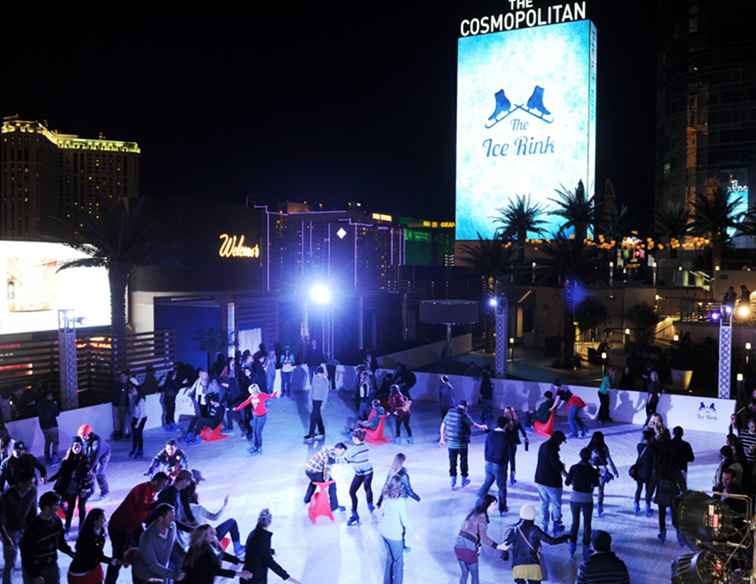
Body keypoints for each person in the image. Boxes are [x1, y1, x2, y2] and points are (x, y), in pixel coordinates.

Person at [105, 472, 169, 584]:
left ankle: (140, 579)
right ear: (155, 481)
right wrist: (157, 504)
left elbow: (143, 513)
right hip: (119, 527)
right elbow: (141, 506)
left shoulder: (151, 491)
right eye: (163, 484)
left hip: (133, 526)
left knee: (144, 550)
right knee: (119, 556)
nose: (163, 488)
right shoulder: (142, 489)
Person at [502, 503, 569, 584]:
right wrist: (565, 538)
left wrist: (505, 555)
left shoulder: (513, 530)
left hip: (518, 566)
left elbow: (504, 546)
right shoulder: (535, 530)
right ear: (533, 516)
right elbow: (552, 541)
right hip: (533, 566)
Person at [20, 491, 74, 583]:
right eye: (56, 505)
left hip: (51, 565)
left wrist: (69, 551)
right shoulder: (33, 527)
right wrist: (35, 575)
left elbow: (60, 541)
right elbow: (26, 554)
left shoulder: (57, 521)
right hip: (36, 568)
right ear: (46, 507)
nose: (58, 508)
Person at [455, 494, 508, 584]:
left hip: (458, 546)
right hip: (469, 547)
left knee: (464, 574)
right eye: (493, 504)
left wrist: (478, 545)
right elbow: (484, 537)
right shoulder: (482, 517)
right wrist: (498, 546)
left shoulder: (473, 514)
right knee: (475, 576)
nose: (495, 507)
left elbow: (468, 531)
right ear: (486, 505)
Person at [185, 482, 245, 557]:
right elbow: (215, 517)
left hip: (193, 541)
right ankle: (238, 549)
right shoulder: (198, 508)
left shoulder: (180, 509)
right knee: (232, 522)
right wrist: (224, 505)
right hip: (207, 538)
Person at [241, 508, 301, 584]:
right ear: (270, 522)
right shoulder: (263, 537)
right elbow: (269, 561)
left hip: (248, 575)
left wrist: (269, 550)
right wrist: (288, 577)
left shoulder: (253, 533)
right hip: (255, 579)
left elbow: (255, 549)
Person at [48, 436, 94, 533]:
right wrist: (50, 479)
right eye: (75, 446)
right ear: (72, 447)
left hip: (83, 486)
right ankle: (67, 527)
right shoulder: (66, 460)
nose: (77, 448)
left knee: (81, 506)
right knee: (70, 508)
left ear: (81, 447)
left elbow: (89, 476)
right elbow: (60, 473)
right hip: (70, 487)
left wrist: (85, 488)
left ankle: (81, 527)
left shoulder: (85, 460)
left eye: (78, 446)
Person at [132, 503, 184, 584]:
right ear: (160, 519)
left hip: (162, 570)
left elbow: (175, 545)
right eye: (170, 517)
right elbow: (152, 565)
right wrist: (174, 575)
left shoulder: (172, 526)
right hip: (145, 575)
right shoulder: (147, 537)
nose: (173, 519)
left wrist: (186, 558)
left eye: (174, 516)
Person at [440, 401, 487, 490]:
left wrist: (442, 438)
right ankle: (464, 480)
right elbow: (473, 425)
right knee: (463, 461)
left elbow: (443, 425)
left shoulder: (449, 412)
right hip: (462, 443)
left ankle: (453, 480)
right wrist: (482, 427)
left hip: (451, 443)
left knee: (452, 462)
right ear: (465, 407)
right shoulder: (463, 415)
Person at [182, 524, 251, 583]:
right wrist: (239, 574)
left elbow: (221, 555)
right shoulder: (201, 551)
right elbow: (214, 570)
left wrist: (238, 561)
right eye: (211, 532)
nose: (214, 533)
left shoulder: (210, 544)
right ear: (204, 537)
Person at [0, 474, 37, 584]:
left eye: (32, 483)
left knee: (28, 561)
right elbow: (1, 519)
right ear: (19, 483)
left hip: (25, 530)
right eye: (28, 483)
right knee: (10, 563)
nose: (30, 486)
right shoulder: (7, 495)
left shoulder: (33, 491)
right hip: (10, 531)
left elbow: (33, 512)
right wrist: (6, 538)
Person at [565, 447, 600, 559]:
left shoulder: (574, 468)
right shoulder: (593, 470)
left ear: (580, 456)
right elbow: (596, 484)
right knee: (587, 524)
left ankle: (572, 548)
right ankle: (585, 550)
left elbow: (567, 482)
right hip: (587, 499)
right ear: (589, 457)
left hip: (575, 498)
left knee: (575, 523)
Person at [67, 508, 116, 584]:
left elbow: (98, 553)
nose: (104, 521)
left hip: (93, 568)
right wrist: (111, 561)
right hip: (81, 573)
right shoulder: (86, 537)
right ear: (94, 521)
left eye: (104, 518)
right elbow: (94, 555)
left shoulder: (100, 532)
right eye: (102, 519)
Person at [377, 476, 409, 584]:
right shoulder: (400, 502)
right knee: (399, 561)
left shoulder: (385, 498)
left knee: (390, 558)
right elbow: (405, 521)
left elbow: (379, 514)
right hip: (394, 535)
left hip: (383, 532)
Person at [534, 430, 567, 535]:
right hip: (552, 482)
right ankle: (556, 525)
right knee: (556, 504)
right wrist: (567, 475)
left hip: (540, 480)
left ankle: (544, 525)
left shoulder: (543, 445)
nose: (561, 444)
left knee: (544, 503)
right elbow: (556, 466)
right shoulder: (552, 450)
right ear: (557, 440)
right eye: (561, 441)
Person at [234, 384, 280, 455]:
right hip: (255, 416)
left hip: (262, 417)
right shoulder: (251, 397)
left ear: (254, 390)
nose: (250, 392)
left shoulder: (261, 395)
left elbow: (270, 396)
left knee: (258, 432)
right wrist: (237, 408)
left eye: (251, 391)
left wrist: (275, 393)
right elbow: (245, 403)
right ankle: (255, 446)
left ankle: (259, 447)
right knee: (254, 432)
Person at [477, 416, 509, 515]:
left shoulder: (490, 434)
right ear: (506, 425)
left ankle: (479, 501)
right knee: (501, 487)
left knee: (487, 482)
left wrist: (487, 459)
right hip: (499, 465)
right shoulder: (506, 437)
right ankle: (502, 509)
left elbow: (486, 447)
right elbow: (508, 453)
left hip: (488, 463)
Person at [654, 429, 682, 543]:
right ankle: (679, 535)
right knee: (674, 512)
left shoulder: (659, 454)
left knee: (662, 512)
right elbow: (678, 475)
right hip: (672, 487)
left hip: (662, 486)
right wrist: (683, 490)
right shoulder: (674, 452)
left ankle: (662, 532)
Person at [303, 443, 347, 513]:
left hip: (308, 470)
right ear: (338, 449)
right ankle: (334, 507)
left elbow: (330, 462)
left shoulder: (330, 449)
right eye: (342, 452)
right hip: (314, 472)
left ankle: (306, 499)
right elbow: (326, 470)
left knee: (314, 481)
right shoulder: (331, 455)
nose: (342, 454)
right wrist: (327, 481)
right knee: (332, 484)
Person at [344, 430, 374, 526]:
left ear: (355, 438)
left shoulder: (353, 449)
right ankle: (370, 505)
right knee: (367, 488)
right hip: (369, 471)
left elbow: (345, 460)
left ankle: (354, 513)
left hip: (360, 472)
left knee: (352, 492)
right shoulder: (366, 446)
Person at [586, 432, 618, 517]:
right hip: (602, 470)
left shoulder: (590, 447)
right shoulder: (604, 447)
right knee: (601, 489)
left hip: (592, 470)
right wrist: (614, 470)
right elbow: (609, 460)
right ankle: (599, 506)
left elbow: (586, 459)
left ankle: (588, 505)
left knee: (591, 488)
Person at [77, 425, 111, 499]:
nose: (82, 438)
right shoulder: (84, 439)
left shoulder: (97, 441)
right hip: (93, 454)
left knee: (99, 473)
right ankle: (90, 492)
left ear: (88, 434)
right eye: (81, 436)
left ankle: (105, 492)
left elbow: (96, 457)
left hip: (103, 455)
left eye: (83, 436)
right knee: (88, 472)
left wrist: (91, 469)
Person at [502, 407, 528, 486]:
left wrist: (525, 437)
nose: (505, 414)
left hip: (506, 443)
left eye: (506, 412)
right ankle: (511, 477)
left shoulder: (504, 421)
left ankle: (507, 476)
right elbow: (522, 431)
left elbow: (522, 431)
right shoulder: (514, 421)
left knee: (506, 460)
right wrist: (525, 438)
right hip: (510, 443)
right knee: (511, 459)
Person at [633, 429, 656, 516]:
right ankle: (647, 507)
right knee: (648, 491)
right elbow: (654, 462)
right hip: (648, 472)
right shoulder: (653, 449)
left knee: (639, 488)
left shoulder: (639, 446)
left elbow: (642, 442)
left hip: (639, 471)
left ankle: (636, 505)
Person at [304, 365, 329, 441]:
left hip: (320, 401)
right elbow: (312, 390)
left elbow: (325, 394)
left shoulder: (325, 381)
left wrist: (323, 404)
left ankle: (311, 433)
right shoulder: (314, 379)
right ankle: (322, 431)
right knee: (317, 416)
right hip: (314, 400)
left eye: (320, 374)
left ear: (322, 373)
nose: (319, 375)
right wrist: (309, 400)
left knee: (313, 417)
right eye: (318, 373)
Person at [37, 390, 60, 464]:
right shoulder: (51, 403)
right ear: (48, 396)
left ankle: (46, 458)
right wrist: (55, 405)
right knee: (55, 442)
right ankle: (54, 459)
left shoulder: (39, 404)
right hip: (52, 425)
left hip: (44, 427)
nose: (52, 397)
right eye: (51, 396)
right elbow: (57, 413)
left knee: (47, 441)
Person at [670, 426, 695, 491]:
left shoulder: (669, 444)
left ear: (673, 433)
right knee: (683, 488)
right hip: (682, 469)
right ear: (682, 434)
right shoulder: (686, 444)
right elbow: (691, 458)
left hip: (671, 470)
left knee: (672, 488)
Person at [129, 383, 148, 459]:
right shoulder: (134, 398)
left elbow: (142, 413)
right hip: (135, 418)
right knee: (134, 435)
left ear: (138, 391)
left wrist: (137, 423)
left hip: (141, 419)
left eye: (134, 390)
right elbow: (134, 411)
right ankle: (134, 448)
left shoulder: (141, 400)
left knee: (139, 434)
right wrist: (132, 419)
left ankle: (140, 449)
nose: (132, 390)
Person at [111, 371, 131, 440]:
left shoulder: (129, 385)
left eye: (124, 376)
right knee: (117, 419)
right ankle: (118, 433)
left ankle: (124, 433)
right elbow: (114, 395)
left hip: (125, 405)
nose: (122, 378)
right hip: (117, 405)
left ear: (127, 377)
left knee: (124, 420)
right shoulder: (117, 385)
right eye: (121, 377)